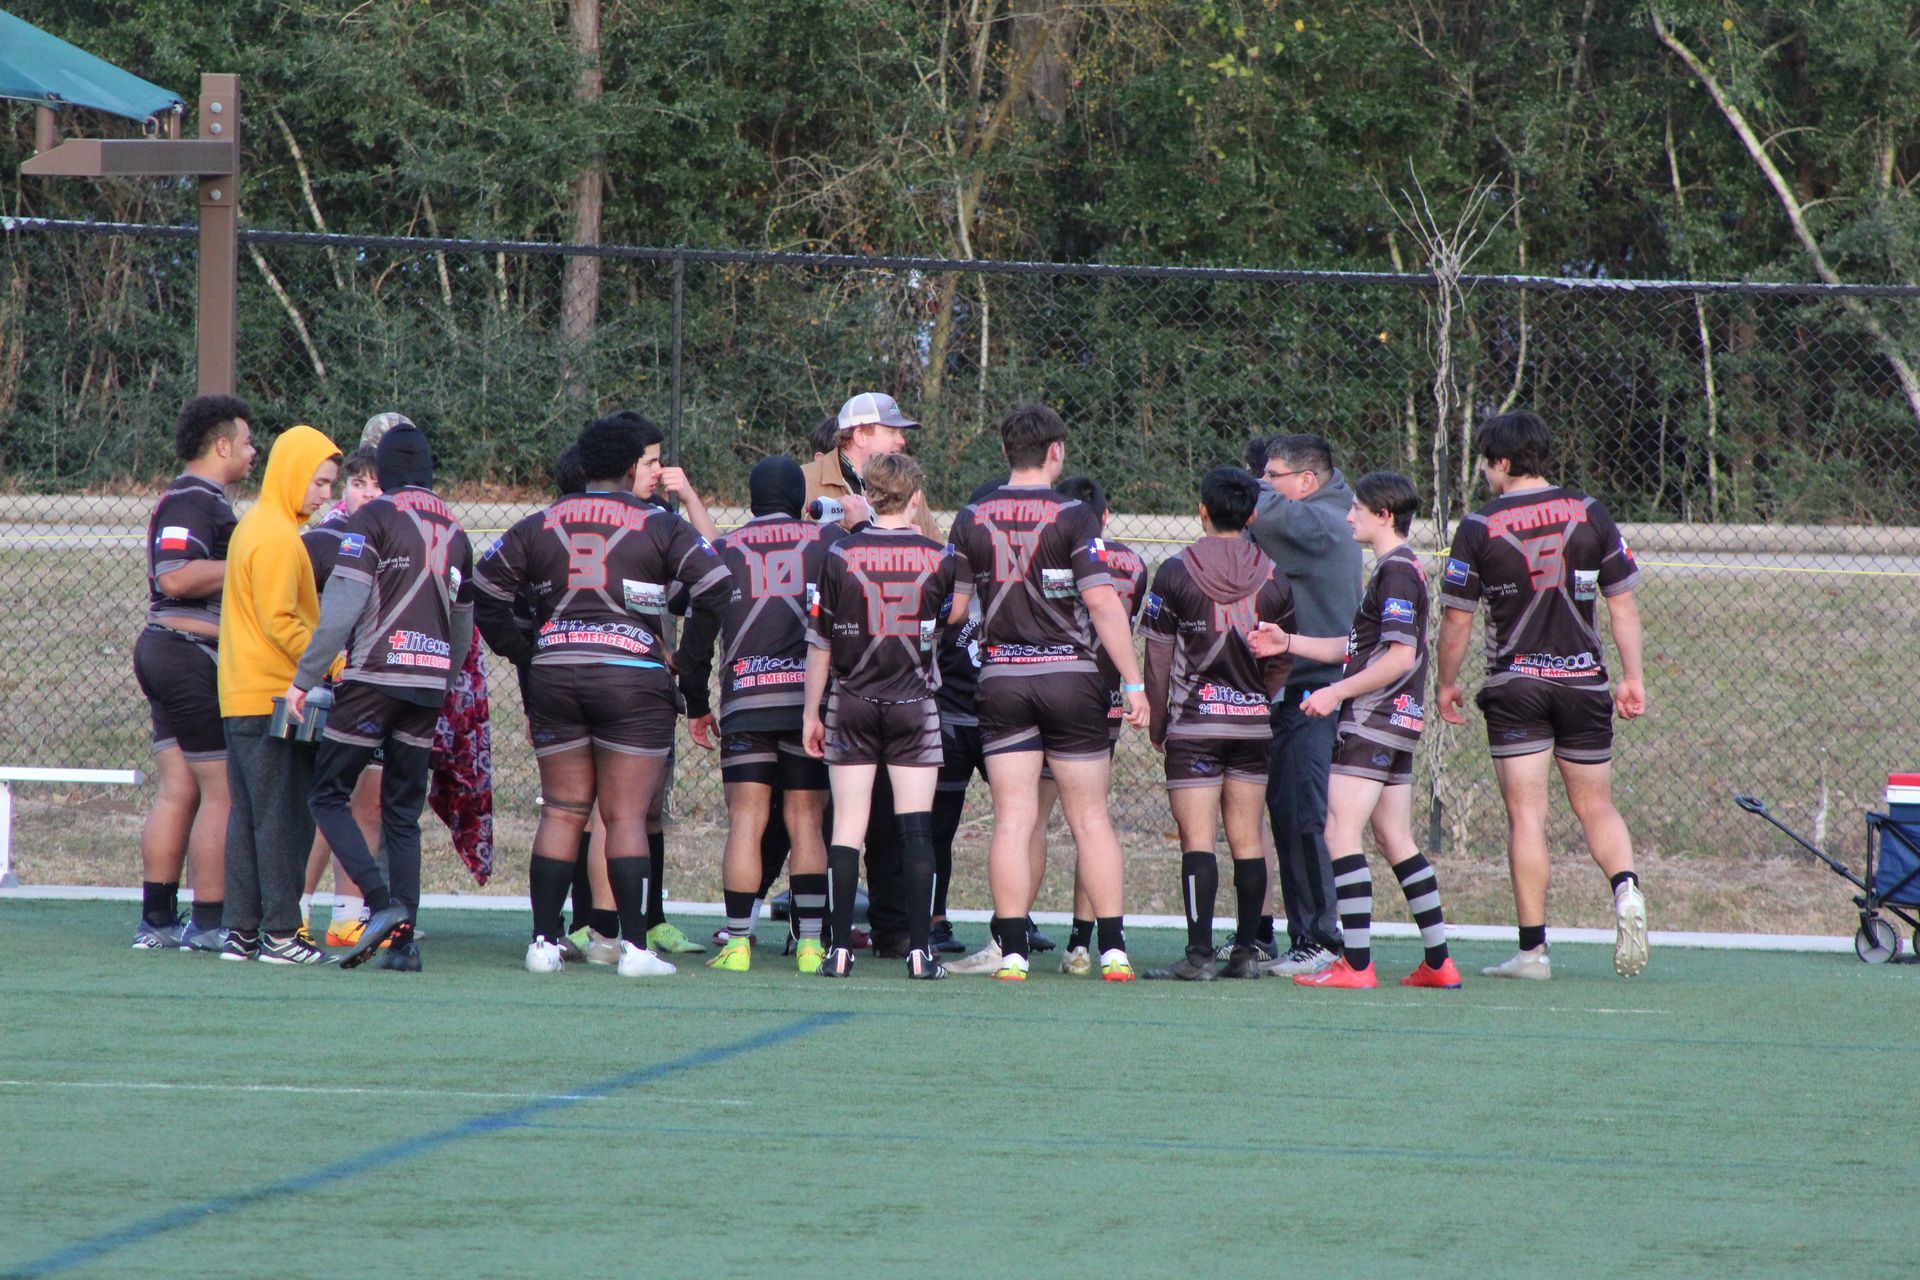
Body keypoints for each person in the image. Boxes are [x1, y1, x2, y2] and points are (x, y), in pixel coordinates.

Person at [473, 415, 733, 977]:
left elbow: (483, 588)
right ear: (628, 467)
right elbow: (718, 585)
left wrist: (525, 650)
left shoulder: (538, 523)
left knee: (564, 810)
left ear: (584, 466)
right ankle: (634, 950)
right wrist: (689, 670)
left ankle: (543, 943)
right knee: (625, 816)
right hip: (632, 678)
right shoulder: (660, 524)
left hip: (555, 674)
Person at [1434, 411, 1649, 980]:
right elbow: (1622, 602)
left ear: (1502, 462)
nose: (1484, 473)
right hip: (1584, 681)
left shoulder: (1480, 525)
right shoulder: (1590, 511)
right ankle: (1626, 889)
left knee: (1526, 815)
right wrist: (1632, 677)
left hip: (1517, 683)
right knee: (1597, 807)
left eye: (1485, 463)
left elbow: (1456, 619)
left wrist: (1445, 682)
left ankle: (1533, 953)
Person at [945, 404, 1149, 982]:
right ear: (1055, 451)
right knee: (1091, 820)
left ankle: (1010, 952)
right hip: (1072, 680)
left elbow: (956, 609)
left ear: (1006, 453)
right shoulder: (1075, 515)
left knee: (1012, 819)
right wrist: (1133, 682)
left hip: (1002, 679)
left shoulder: (971, 516)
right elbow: (1104, 603)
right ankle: (1111, 951)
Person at [1250, 471, 1462, 990]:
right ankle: (1439, 961)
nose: (1348, 517)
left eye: (1358, 510)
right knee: (1395, 838)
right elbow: (1356, 648)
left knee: (1337, 832)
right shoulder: (1399, 569)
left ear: (1383, 516)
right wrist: (1289, 642)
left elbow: (1398, 657)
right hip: (1399, 722)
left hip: (1374, 720)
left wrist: (1335, 693)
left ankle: (1357, 963)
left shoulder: (1397, 571)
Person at [287, 423, 474, 972]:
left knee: (327, 794)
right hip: (429, 683)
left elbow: (344, 603)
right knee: (401, 813)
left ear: (385, 474)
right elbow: (463, 622)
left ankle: (381, 902)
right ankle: (404, 944)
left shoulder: (371, 519)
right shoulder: (457, 530)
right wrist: (445, 675)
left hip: (373, 675)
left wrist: (305, 678)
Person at [680, 456, 839, 974]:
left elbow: (698, 630)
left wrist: (697, 703)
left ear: (751, 502)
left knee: (747, 819)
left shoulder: (725, 550)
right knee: (806, 820)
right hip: (805, 706)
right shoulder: (826, 542)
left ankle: (740, 944)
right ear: (800, 500)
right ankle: (812, 945)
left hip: (746, 699)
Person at [802, 453, 958, 979]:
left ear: (867, 496)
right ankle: (920, 952)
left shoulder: (839, 553)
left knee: (846, 826)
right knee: (917, 829)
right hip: (915, 701)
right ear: (915, 498)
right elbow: (942, 622)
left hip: (852, 700)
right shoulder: (942, 556)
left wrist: (811, 711)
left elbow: (820, 642)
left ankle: (838, 950)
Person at [1138, 467, 1294, 981]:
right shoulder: (1275, 575)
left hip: (1194, 725)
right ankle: (1247, 952)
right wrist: (1257, 702)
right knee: (1248, 837)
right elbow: (1281, 656)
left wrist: (1159, 723)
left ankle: (1200, 955)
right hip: (1251, 727)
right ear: (1251, 515)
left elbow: (1158, 661)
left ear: (1201, 510)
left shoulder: (1175, 572)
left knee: (1197, 841)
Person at [132, 394, 257, 952]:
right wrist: (252, 565)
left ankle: (157, 920)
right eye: (248, 442)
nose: (254, 453)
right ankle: (209, 922)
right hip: (185, 653)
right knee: (221, 789)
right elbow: (175, 575)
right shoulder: (193, 499)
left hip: (165, 650)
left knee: (179, 788)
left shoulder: (195, 499)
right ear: (222, 444)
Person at [216, 423, 342, 964]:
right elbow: (280, 620)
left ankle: (242, 931)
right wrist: (333, 661)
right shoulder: (274, 535)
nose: (326, 496)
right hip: (273, 697)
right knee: (282, 817)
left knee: (248, 816)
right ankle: (282, 934)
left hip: (242, 695)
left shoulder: (259, 526)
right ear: (293, 475)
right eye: (320, 483)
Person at [1247, 433, 1364, 976]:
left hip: (1315, 691)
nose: (1266, 484)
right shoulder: (1324, 510)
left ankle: (1321, 939)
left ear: (1306, 482)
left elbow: (1253, 507)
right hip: (1305, 689)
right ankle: (1308, 935)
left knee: (1304, 816)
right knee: (1292, 811)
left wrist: (1239, 486)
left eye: (1273, 476)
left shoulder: (1317, 521)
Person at [300, 445, 384, 946]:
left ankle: (350, 916)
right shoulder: (322, 541)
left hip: (376, 690)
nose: (368, 494)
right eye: (358, 484)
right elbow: (296, 614)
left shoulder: (404, 541)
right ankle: (298, 906)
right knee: (321, 801)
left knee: (367, 804)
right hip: (325, 690)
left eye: (378, 485)